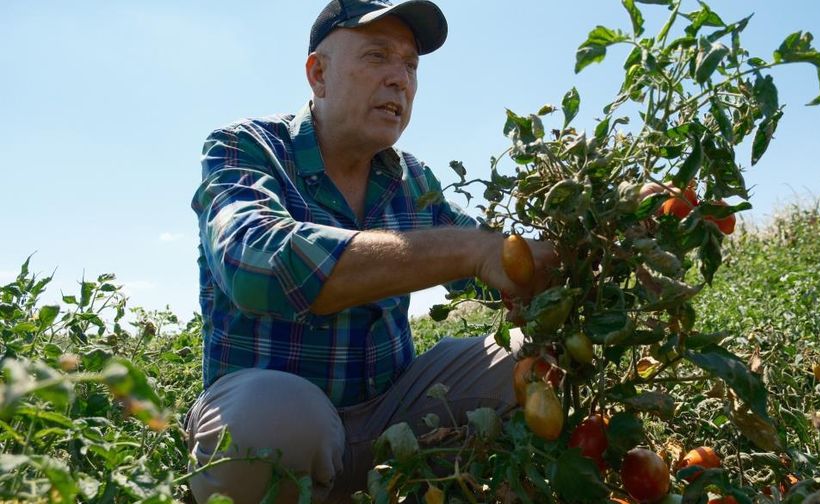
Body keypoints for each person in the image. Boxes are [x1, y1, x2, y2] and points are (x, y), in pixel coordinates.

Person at [184, 0, 558, 502]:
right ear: (319, 73)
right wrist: (472, 250)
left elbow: (494, 261)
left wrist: (598, 237)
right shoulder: (246, 148)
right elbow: (257, 265)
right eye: (377, 56)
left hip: (392, 418)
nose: (399, 79)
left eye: (410, 65)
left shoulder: (412, 178)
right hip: (288, 423)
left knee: (531, 360)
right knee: (270, 418)